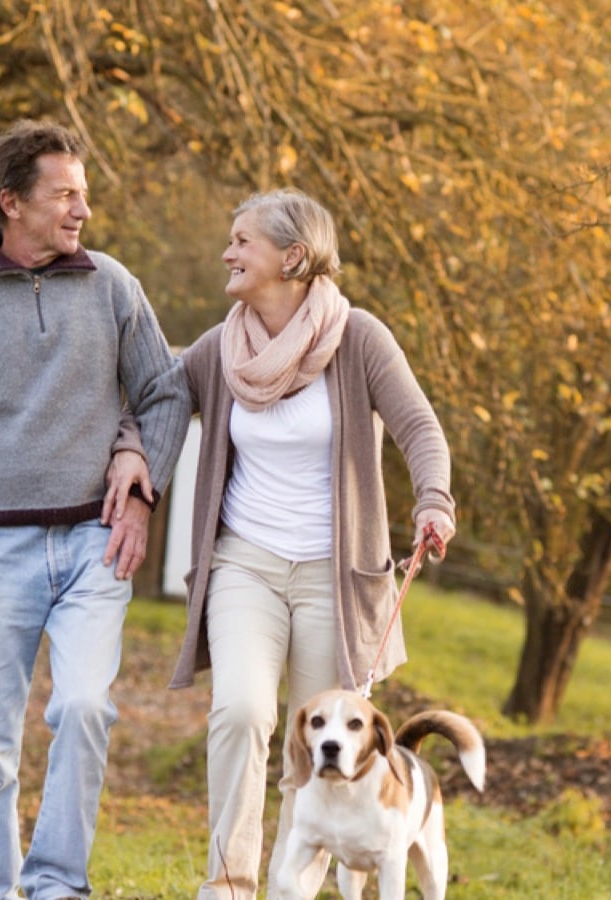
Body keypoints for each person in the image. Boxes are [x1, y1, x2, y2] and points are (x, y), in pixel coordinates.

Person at [111, 187, 456, 898]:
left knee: (324, 744)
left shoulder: (358, 339)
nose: (227, 252)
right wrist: (130, 454)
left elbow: (420, 429)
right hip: (247, 561)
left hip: (337, 573)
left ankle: (296, 884)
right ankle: (230, 885)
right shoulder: (222, 347)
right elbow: (158, 399)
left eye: (243, 240)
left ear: (292, 256)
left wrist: (434, 502)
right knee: (240, 710)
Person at [0, 119, 190, 900]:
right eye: (65, 195)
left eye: (84, 194)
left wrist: (141, 480)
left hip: (94, 542)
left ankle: (57, 885)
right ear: (11, 202)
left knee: (85, 706)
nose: (82, 209)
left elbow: (165, 392)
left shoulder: (116, 286)